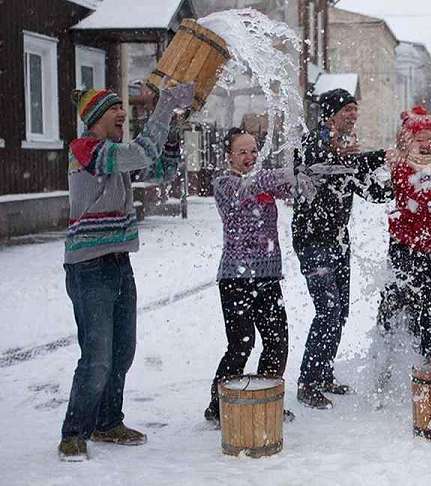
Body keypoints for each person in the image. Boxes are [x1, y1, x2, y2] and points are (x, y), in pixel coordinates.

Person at [59, 83, 193, 461]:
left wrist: (173, 126)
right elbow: (142, 152)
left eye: (122, 106)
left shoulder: (116, 154)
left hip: (119, 262)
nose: (122, 113)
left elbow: (162, 168)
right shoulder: (86, 150)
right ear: (95, 118)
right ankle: (74, 433)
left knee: (122, 351)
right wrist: (164, 106)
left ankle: (107, 422)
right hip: (88, 266)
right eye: (114, 109)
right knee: (97, 356)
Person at [204, 128, 321, 425]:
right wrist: (287, 173)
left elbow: (296, 193)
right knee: (241, 345)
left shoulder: (264, 184)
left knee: (277, 342)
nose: (250, 157)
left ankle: (266, 401)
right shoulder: (226, 184)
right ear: (229, 156)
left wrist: (304, 178)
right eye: (242, 152)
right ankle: (218, 406)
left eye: (254, 151)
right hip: (236, 278)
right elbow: (253, 185)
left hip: (268, 276)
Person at [292, 88, 392, 409]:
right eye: (347, 109)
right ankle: (308, 382)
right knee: (328, 311)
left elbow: (372, 191)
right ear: (330, 114)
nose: (353, 114)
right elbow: (318, 162)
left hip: (338, 240)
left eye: (354, 108)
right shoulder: (313, 142)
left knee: (340, 312)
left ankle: (323, 373)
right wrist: (367, 154)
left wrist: (401, 177)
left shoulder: (348, 150)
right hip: (312, 240)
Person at [375, 105, 431, 366]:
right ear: (408, 141)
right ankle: (391, 360)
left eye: (430, 139)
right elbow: (418, 196)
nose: (426, 145)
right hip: (405, 248)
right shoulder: (401, 166)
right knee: (399, 303)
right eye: (419, 139)